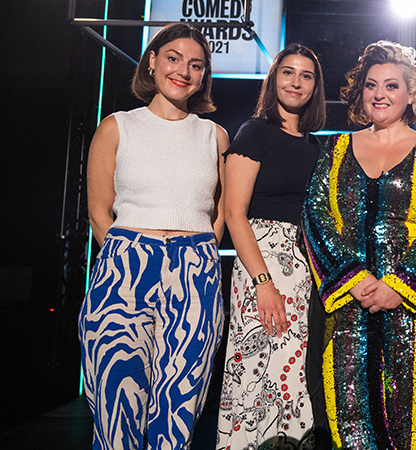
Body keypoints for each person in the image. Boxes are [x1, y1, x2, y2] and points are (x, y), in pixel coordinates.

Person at [303, 40, 416, 449]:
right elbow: (316, 218)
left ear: (411, 95)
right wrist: (352, 279)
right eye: (371, 85)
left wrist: (398, 286)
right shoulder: (335, 149)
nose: (380, 94)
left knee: (411, 419)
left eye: (392, 86)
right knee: (348, 416)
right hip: (346, 308)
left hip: (409, 312)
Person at [79, 23, 229, 449]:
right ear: (152, 61)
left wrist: (199, 251)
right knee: (114, 406)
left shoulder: (213, 135)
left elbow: (219, 210)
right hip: (125, 268)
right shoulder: (117, 126)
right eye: (174, 58)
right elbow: (97, 209)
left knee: (179, 407)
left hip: (194, 270)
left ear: (204, 76)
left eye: (196, 64)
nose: (183, 70)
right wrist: (129, 257)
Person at [215, 43, 326, 449]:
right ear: (273, 79)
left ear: (315, 86)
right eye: (288, 72)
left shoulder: (316, 146)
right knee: (253, 375)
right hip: (259, 265)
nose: (296, 82)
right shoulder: (254, 132)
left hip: (301, 272)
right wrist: (262, 281)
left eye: (306, 75)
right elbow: (234, 212)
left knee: (293, 376)